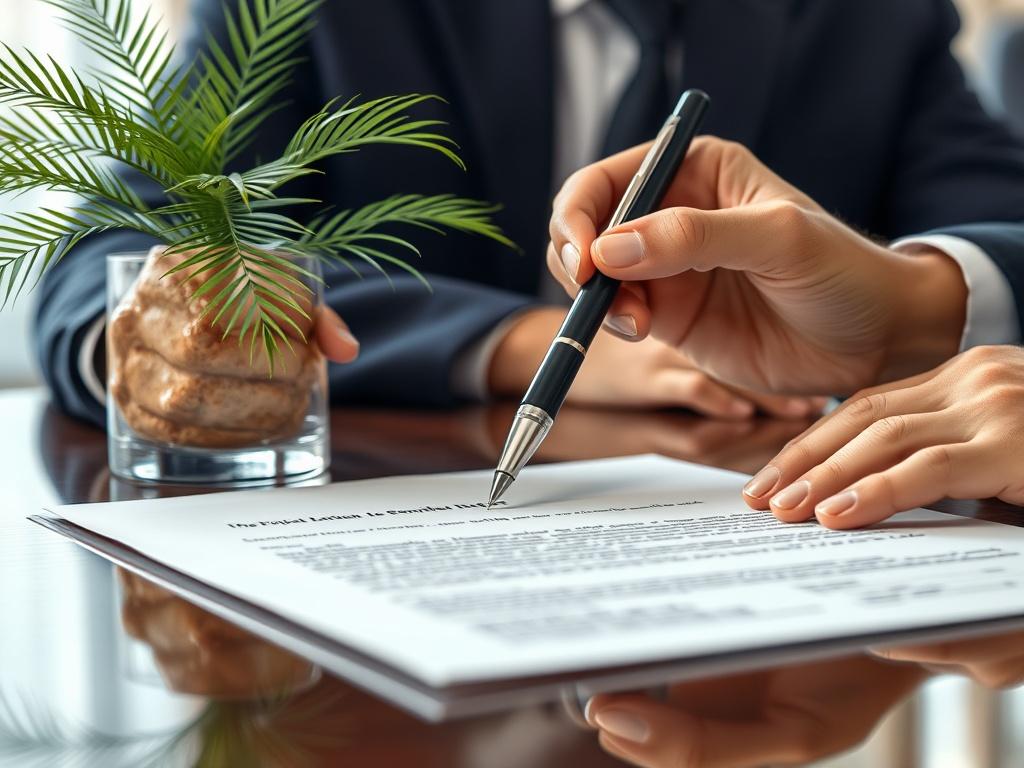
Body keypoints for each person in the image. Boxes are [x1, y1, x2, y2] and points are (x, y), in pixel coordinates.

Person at [34, 0, 1024, 427]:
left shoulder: (871, 16)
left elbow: (1003, 231)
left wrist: (913, 300)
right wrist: (516, 341)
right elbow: (119, 252)